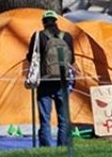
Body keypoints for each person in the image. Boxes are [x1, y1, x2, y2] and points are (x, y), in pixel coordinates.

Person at [24, 10, 76, 147]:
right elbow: (72, 59)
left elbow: (31, 57)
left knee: (45, 117)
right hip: (63, 81)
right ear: (56, 21)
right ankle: (63, 144)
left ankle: (46, 145)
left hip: (45, 81)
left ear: (43, 22)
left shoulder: (38, 36)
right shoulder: (67, 37)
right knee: (63, 117)